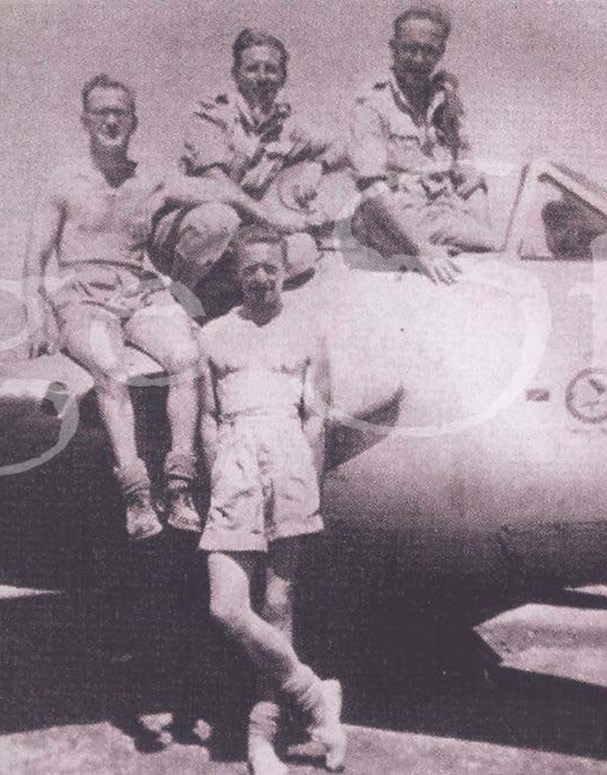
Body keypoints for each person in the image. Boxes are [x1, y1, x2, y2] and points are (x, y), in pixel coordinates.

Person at [23, 74, 308, 541]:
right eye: (101, 112)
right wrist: (37, 318)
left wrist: (277, 220)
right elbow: (34, 258)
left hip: (140, 293)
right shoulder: (63, 184)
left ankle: (180, 484)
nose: (111, 121)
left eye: (121, 113)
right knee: (110, 371)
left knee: (188, 357)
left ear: (133, 121)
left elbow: (224, 195)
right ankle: (136, 493)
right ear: (85, 120)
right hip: (83, 297)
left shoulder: (150, 182)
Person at [199, 226, 345, 774]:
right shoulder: (213, 334)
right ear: (237, 273)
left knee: (278, 607)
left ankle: (263, 739)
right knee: (226, 607)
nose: (260, 277)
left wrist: (310, 480)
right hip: (234, 460)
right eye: (250, 268)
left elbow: (317, 417)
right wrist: (218, 470)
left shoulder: (308, 330)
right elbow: (209, 416)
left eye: (270, 267)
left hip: (289, 459)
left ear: (284, 270)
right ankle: (314, 696)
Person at [151, 27, 341, 316]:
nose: (262, 77)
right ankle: (178, 301)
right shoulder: (211, 115)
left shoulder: (287, 125)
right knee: (219, 218)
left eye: (271, 69)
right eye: (252, 69)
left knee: (302, 249)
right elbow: (219, 185)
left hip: (237, 234)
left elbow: (345, 144)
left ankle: (221, 294)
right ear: (236, 74)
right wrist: (271, 218)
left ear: (283, 77)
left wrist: (318, 166)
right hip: (186, 229)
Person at [348, 4, 495, 283]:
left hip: (438, 213)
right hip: (387, 217)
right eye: (409, 48)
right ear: (393, 48)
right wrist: (423, 250)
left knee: (492, 245)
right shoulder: (372, 105)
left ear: (440, 53)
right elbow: (372, 188)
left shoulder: (447, 104)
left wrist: (486, 240)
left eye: (429, 51)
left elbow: (469, 178)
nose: (418, 59)